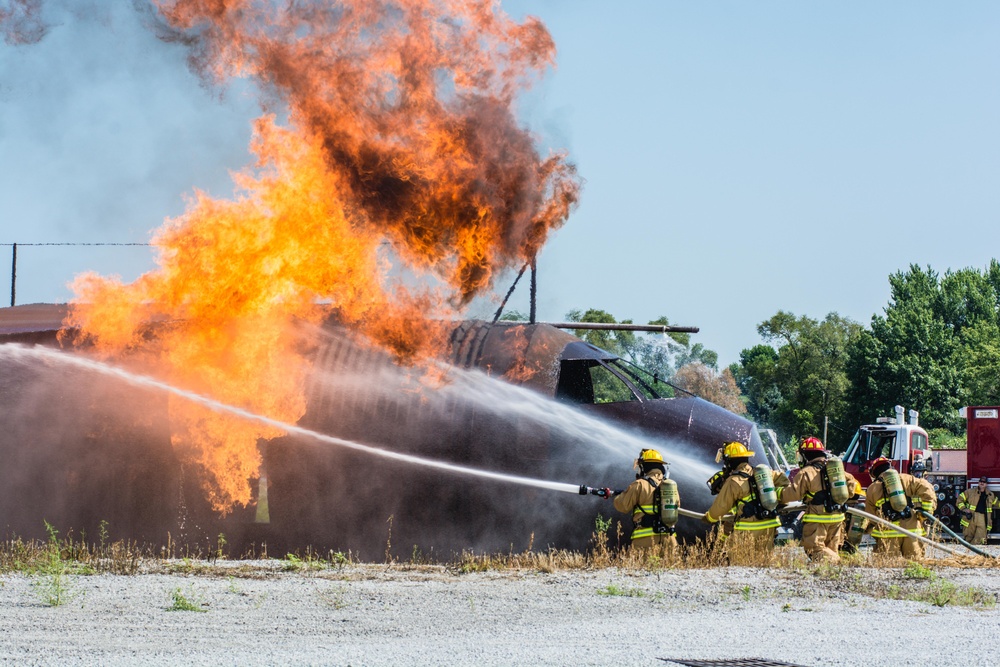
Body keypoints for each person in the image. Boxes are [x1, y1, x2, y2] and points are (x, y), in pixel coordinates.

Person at [702, 441, 789, 557]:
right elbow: (785, 482)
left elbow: (720, 507)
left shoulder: (734, 481)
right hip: (769, 526)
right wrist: (778, 499)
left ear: (730, 462)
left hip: (747, 529)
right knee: (764, 560)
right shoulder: (764, 474)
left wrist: (709, 517)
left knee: (741, 562)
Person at [780, 437, 860, 563]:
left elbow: (792, 494)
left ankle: (842, 564)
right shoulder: (835, 470)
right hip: (837, 518)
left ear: (805, 455)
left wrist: (778, 494)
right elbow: (852, 486)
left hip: (818, 519)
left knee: (815, 549)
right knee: (830, 550)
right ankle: (831, 576)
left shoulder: (806, 472)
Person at [864, 456, 937, 558]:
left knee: (889, 566)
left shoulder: (872, 488)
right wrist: (925, 512)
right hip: (911, 532)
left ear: (874, 472)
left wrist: (870, 530)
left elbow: (870, 516)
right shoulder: (906, 478)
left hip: (888, 534)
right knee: (915, 564)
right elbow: (927, 488)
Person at [613, 448, 678, 552]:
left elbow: (622, 506)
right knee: (670, 568)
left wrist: (622, 495)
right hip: (669, 540)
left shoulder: (639, 484)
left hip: (645, 542)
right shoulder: (670, 486)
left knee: (640, 568)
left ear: (644, 466)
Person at [957, 476, 996, 545]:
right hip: (971, 517)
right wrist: (964, 509)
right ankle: (967, 552)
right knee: (968, 537)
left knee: (980, 539)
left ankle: (975, 553)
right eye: (980, 481)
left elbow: (997, 503)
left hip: (983, 518)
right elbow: (959, 500)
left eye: (984, 482)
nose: (982, 483)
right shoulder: (970, 492)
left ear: (986, 484)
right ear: (978, 483)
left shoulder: (990, 495)